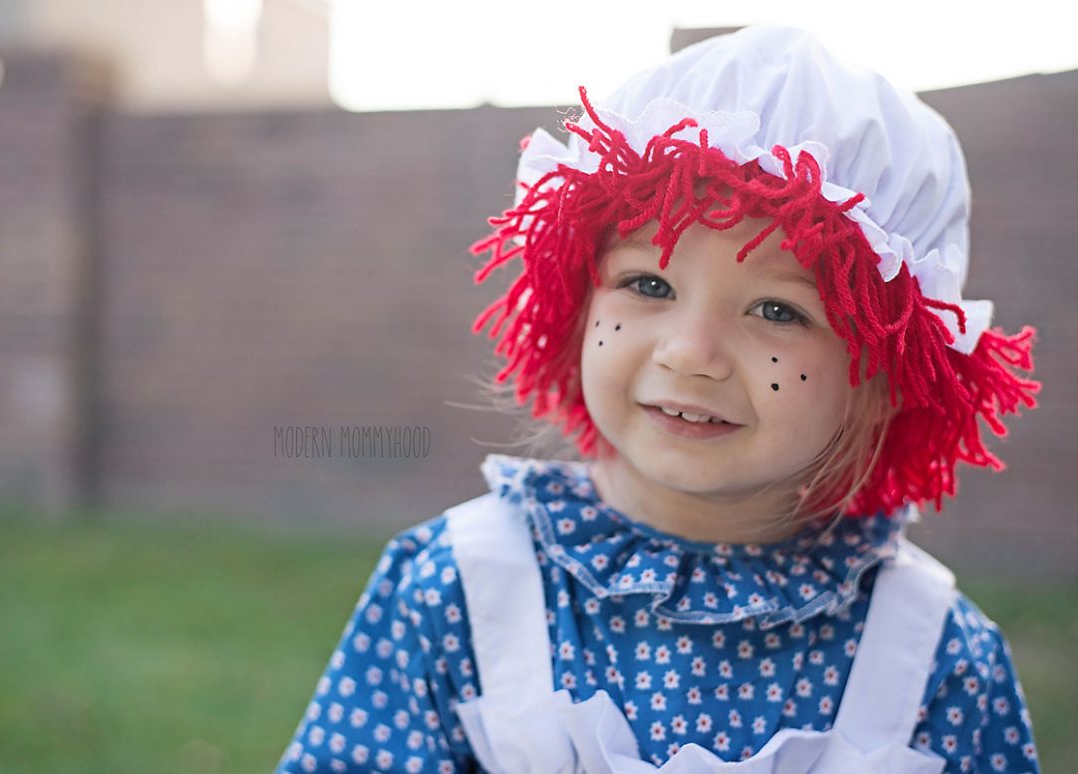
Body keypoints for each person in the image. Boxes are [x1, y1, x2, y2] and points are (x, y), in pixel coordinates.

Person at [274, 26, 1041, 773]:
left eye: (778, 310)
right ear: (579, 300)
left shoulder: (934, 662)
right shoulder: (457, 590)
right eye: (649, 284)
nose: (689, 353)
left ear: (883, 380)